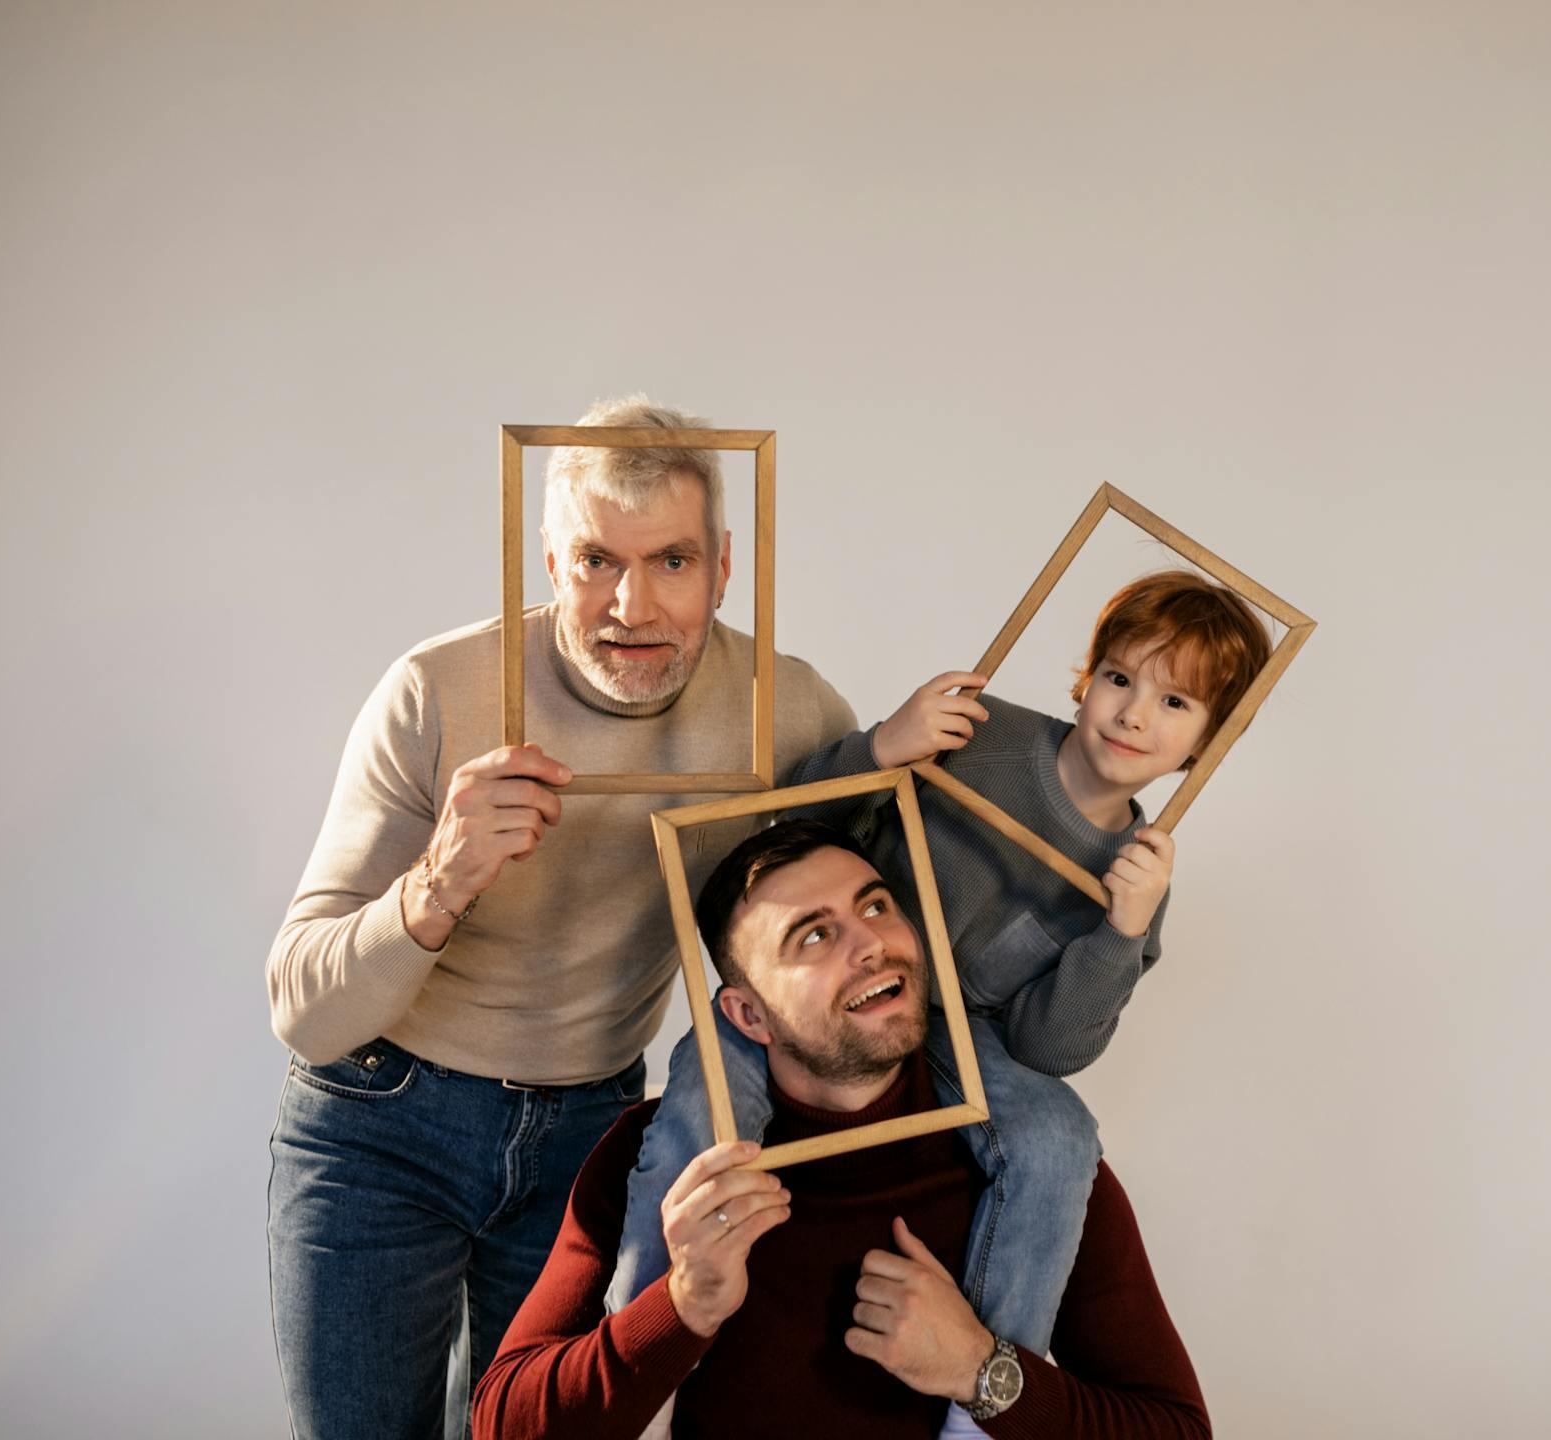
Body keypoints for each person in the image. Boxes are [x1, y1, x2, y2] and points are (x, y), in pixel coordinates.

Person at [265, 396, 858, 1440]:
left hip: (593, 1132)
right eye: (596, 561)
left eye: (671, 561)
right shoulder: (439, 689)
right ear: (548, 565)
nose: (632, 603)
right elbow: (303, 1012)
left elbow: (875, 921)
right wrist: (437, 883)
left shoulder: (790, 710)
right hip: (379, 1122)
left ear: (723, 565)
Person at [604, 570, 1271, 1391]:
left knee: (1058, 1137)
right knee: (703, 1097)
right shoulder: (983, 736)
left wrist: (1120, 933)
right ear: (1088, 677)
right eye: (1121, 678)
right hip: (821, 991)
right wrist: (883, 747)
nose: (1134, 713)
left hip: (967, 1034)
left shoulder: (1138, 880)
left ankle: (978, 1389)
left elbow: (1048, 1047)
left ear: (1212, 740)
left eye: (1176, 704)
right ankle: (641, 1353)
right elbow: (791, 832)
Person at [472, 820, 1212, 1438]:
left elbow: (1177, 1428)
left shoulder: (1026, 1162)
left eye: (877, 906)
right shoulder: (664, 1159)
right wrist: (682, 1307)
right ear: (748, 1016)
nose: (871, 944)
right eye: (814, 937)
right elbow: (502, 1422)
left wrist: (980, 1371)